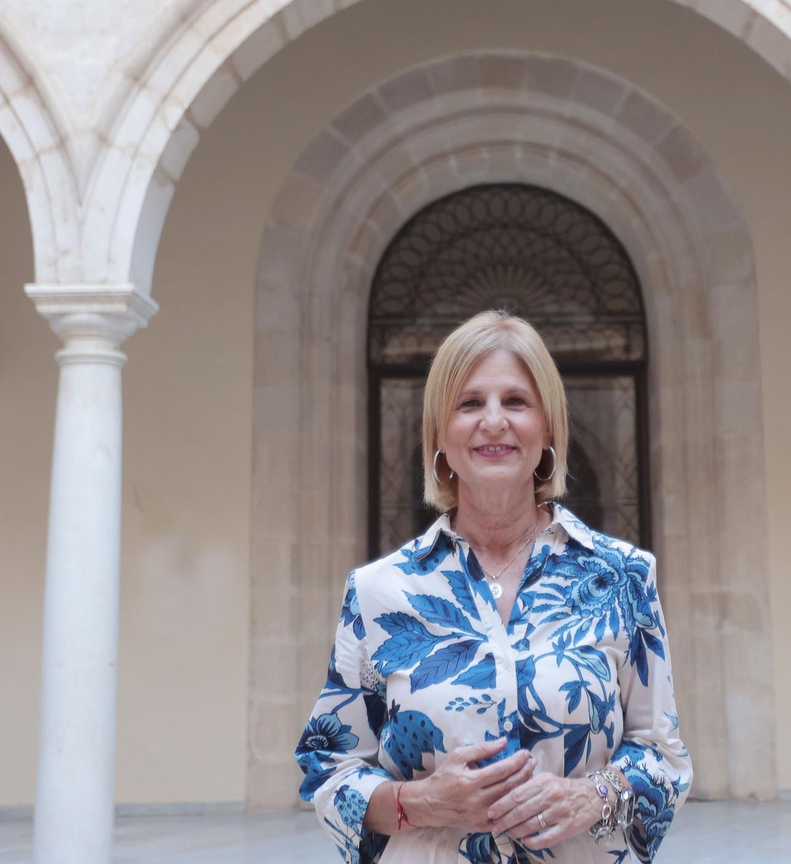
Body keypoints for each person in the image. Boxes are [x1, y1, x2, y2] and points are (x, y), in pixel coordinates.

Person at [295, 310, 692, 863]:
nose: (494, 421)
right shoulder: (376, 592)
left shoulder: (624, 576)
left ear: (547, 427)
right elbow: (329, 771)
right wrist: (424, 801)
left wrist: (590, 796)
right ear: (439, 434)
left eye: (516, 402)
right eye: (469, 403)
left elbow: (663, 756)